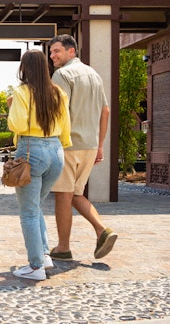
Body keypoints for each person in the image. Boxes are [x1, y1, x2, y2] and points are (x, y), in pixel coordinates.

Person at [47, 34, 118, 261]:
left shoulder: (61, 75)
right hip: (89, 145)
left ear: (72, 51)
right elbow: (105, 111)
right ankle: (102, 230)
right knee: (76, 194)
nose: (52, 56)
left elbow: (58, 112)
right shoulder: (94, 74)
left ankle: (63, 248)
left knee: (63, 196)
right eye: (51, 52)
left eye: (57, 51)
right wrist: (100, 145)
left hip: (68, 145)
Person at [7, 48, 71, 281]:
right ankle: (44, 255)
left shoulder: (22, 92)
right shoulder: (59, 93)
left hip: (31, 150)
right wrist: (61, 145)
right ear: (45, 67)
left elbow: (17, 125)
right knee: (36, 207)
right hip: (56, 151)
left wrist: (11, 106)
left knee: (29, 212)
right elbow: (66, 127)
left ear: (25, 68)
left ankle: (36, 267)